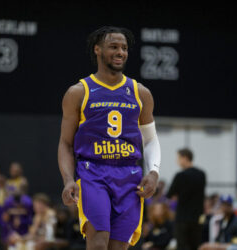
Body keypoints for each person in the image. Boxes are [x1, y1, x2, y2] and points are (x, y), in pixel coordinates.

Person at [58, 26, 161, 250]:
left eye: (124, 48)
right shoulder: (79, 92)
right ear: (98, 50)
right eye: (113, 47)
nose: (120, 52)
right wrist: (68, 180)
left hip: (129, 175)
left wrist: (153, 172)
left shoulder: (140, 92)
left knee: (118, 247)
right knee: (97, 242)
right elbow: (65, 143)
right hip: (93, 173)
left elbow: (151, 140)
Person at [166, 147, 206, 250]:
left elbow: (170, 194)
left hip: (182, 217)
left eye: (178, 158)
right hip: (197, 217)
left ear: (185, 158)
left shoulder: (180, 175)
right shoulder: (201, 174)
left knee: (182, 246)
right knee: (194, 246)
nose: (177, 161)